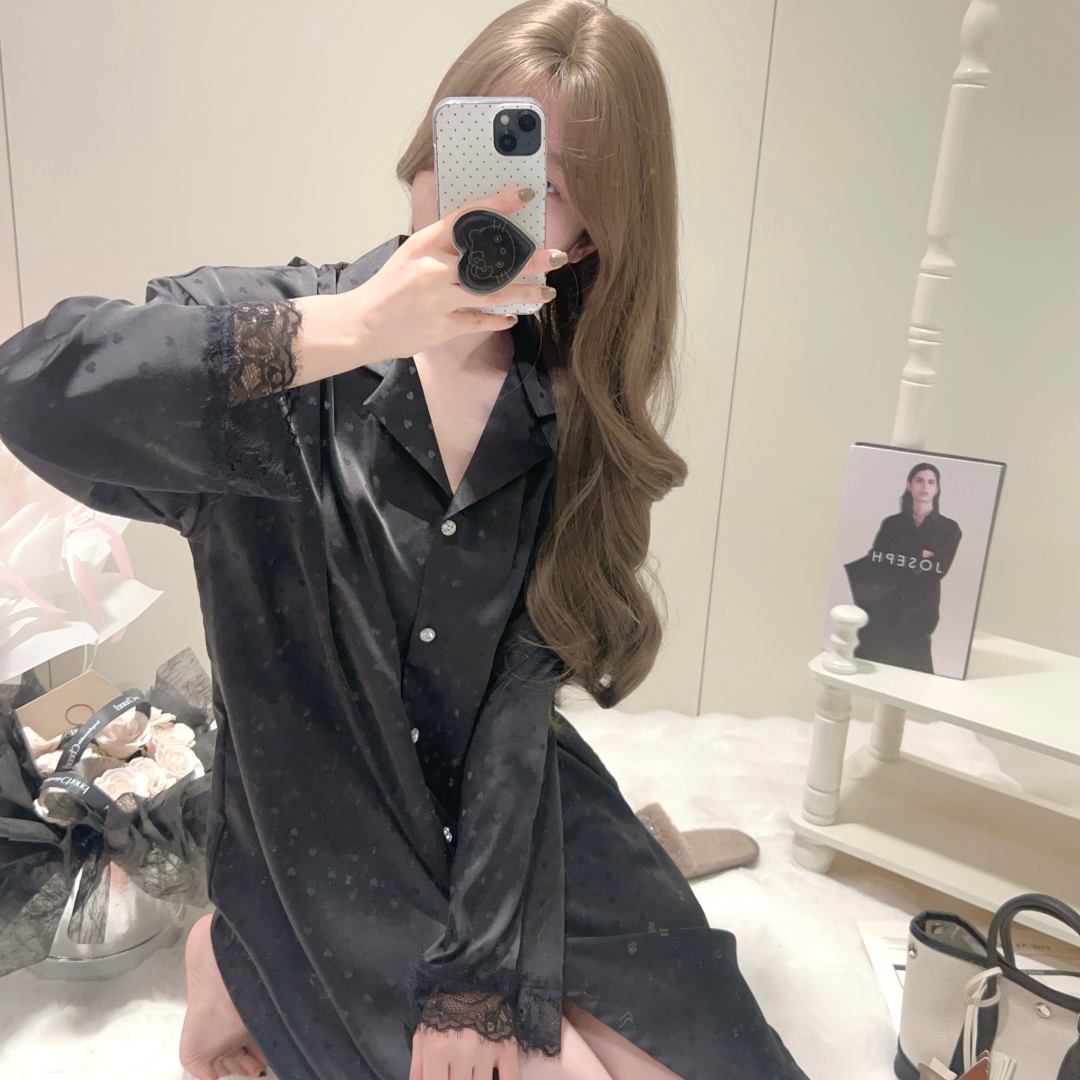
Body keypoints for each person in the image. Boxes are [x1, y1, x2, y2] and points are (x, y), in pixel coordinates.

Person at [0, 2, 812, 1078]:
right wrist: (359, 329)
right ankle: (233, 955)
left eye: (545, 181)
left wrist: (484, 967)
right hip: (328, 839)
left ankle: (241, 964)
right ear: (428, 146)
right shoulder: (284, 350)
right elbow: (31, 386)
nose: (484, 198)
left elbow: (518, 707)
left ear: (589, 233)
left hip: (519, 809)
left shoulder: (564, 409)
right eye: (471, 146)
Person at [853, 462, 963, 674]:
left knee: (914, 677)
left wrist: (898, 556)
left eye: (931, 482)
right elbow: (877, 561)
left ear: (937, 488)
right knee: (868, 671)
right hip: (883, 609)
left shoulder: (949, 529)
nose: (925, 486)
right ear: (909, 485)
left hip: (920, 612)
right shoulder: (892, 524)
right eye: (919, 480)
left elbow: (937, 570)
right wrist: (920, 554)